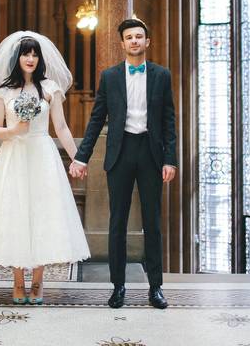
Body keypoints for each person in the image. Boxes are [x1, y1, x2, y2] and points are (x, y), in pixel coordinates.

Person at [0, 31, 90, 305]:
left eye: (35, 54)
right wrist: (15, 129)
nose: (30, 58)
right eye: (26, 53)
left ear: (40, 58)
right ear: (17, 58)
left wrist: (78, 158)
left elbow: (62, 128)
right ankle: (18, 280)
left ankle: (39, 280)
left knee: (43, 214)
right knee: (16, 214)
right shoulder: (3, 92)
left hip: (42, 154)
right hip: (15, 154)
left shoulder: (51, 88)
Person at [69, 16, 177, 310]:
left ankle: (156, 288)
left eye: (139, 36)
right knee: (117, 222)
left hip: (151, 154)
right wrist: (82, 155)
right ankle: (118, 287)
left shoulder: (162, 75)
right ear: (122, 44)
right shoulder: (110, 77)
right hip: (120, 152)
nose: (134, 41)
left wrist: (170, 159)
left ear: (147, 42)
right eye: (129, 37)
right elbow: (96, 119)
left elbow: (169, 120)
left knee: (152, 223)